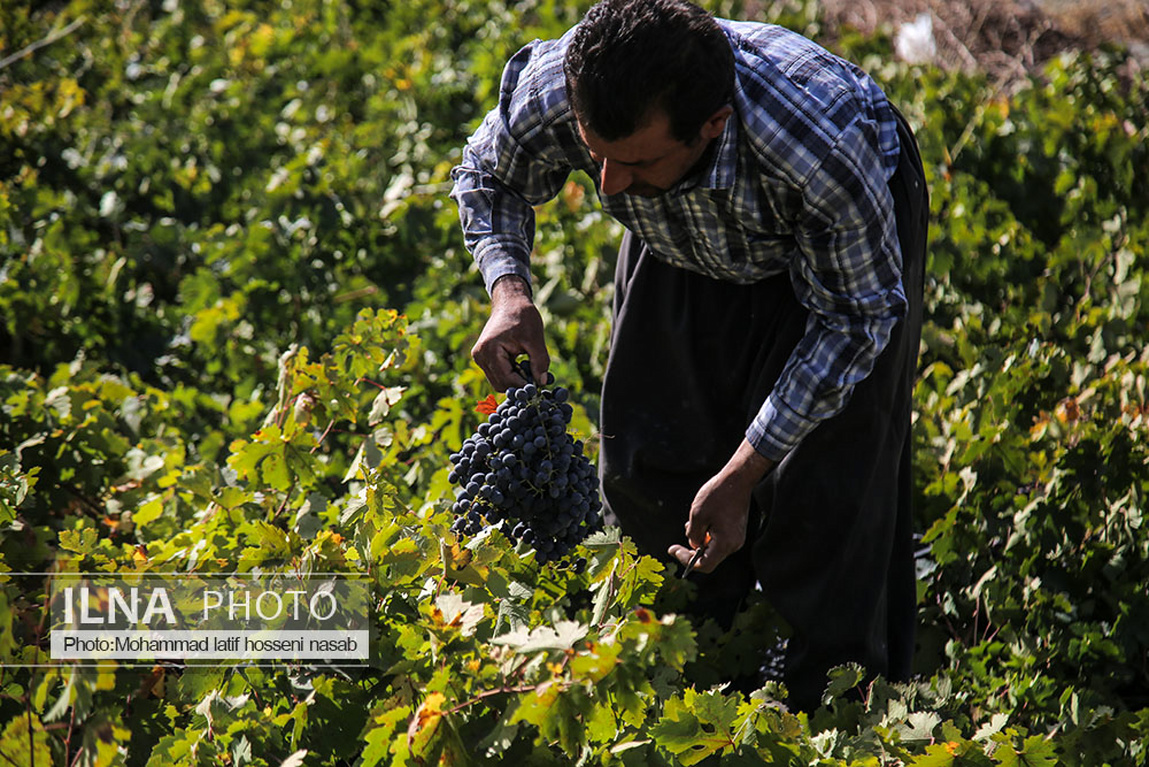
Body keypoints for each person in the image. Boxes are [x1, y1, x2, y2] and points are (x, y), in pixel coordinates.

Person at [450, 0, 928, 712]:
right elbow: (490, 173)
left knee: (823, 501)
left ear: (711, 125)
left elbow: (854, 321)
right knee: (648, 470)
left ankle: (831, 714)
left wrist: (744, 469)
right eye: (594, 154)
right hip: (678, 231)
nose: (606, 184)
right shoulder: (566, 86)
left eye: (633, 160)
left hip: (830, 269)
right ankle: (700, 681)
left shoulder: (815, 149)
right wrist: (509, 292)